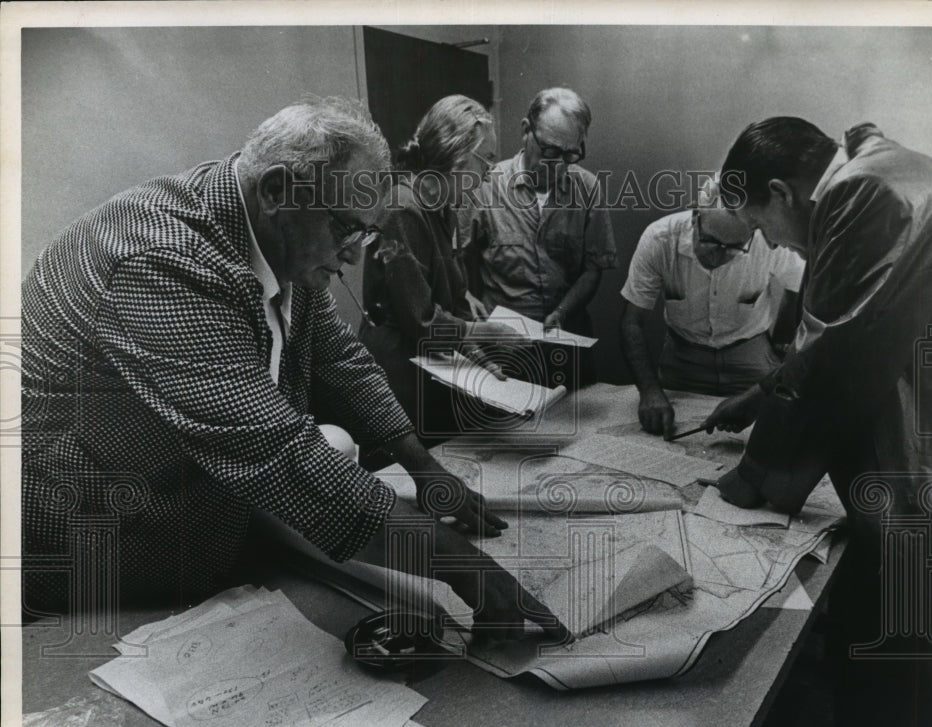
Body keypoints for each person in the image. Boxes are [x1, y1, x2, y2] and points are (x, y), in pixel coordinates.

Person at [21, 97, 567, 644]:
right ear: (278, 191)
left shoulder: (274, 230)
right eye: (345, 231)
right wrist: (467, 570)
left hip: (178, 504)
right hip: (88, 546)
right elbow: (279, 454)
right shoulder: (161, 263)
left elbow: (342, 360)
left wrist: (421, 466)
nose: (354, 257)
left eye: (366, 234)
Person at [704, 118, 932, 727]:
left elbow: (838, 354)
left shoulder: (862, 192)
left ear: (781, 191)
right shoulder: (885, 171)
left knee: (913, 613)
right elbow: (862, 330)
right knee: (904, 608)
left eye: (762, 225)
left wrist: (750, 478)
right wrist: (766, 391)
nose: (768, 242)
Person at [360, 95, 529, 441]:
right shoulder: (401, 209)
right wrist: (485, 334)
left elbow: (446, 300)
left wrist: (474, 353)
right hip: (398, 376)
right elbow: (420, 319)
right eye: (487, 162)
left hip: (430, 365)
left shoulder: (442, 208)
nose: (488, 175)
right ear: (456, 159)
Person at [463, 87, 617, 389]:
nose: (558, 164)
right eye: (550, 150)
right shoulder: (483, 187)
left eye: (571, 153)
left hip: (567, 347)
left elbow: (593, 268)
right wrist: (467, 301)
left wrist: (562, 311)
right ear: (525, 131)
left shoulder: (588, 189)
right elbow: (461, 267)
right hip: (504, 352)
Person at [620, 185, 803, 437]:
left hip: (751, 354)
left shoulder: (769, 241)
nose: (719, 256)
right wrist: (649, 391)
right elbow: (633, 322)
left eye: (733, 248)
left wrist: (781, 341)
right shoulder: (660, 238)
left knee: (767, 435)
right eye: (710, 242)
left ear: (752, 233)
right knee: (666, 434)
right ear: (696, 218)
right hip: (683, 359)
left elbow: (797, 286)